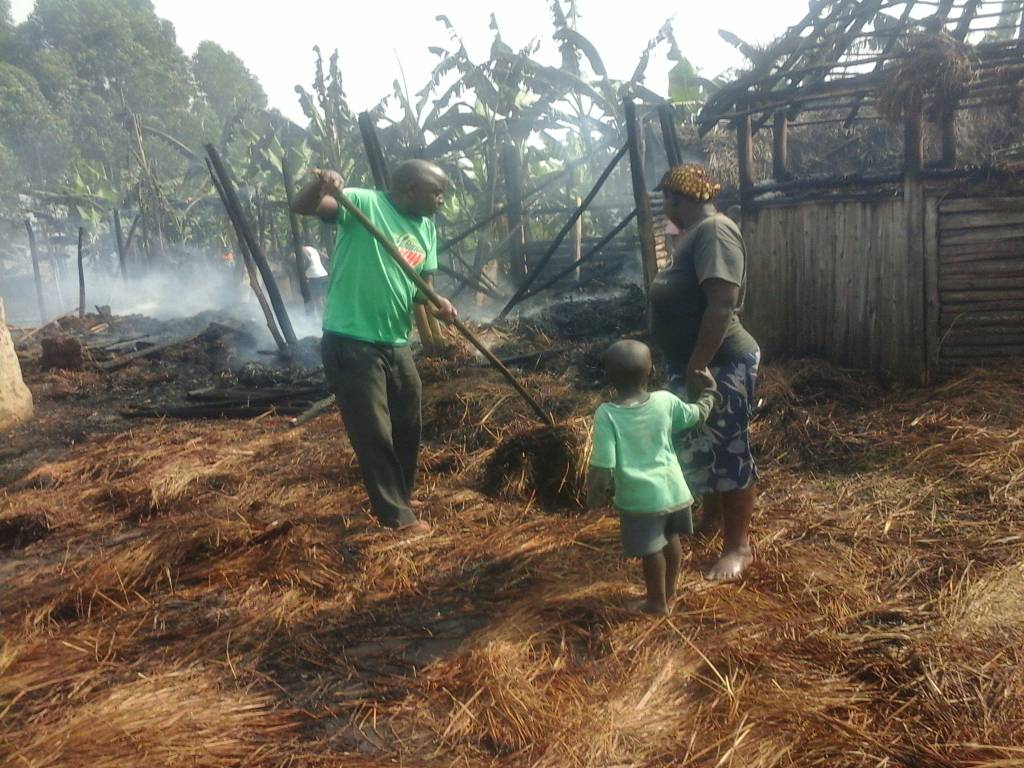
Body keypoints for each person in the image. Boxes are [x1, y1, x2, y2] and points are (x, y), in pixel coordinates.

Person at [290, 159, 457, 537]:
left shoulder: (426, 229)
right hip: (352, 340)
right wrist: (322, 187)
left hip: (396, 342)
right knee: (374, 433)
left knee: (407, 425)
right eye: (436, 192)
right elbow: (303, 206)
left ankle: (401, 498)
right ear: (410, 190)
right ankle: (397, 518)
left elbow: (420, 288)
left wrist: (439, 304)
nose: (441, 200)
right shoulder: (363, 203)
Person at [649, 164, 761, 582]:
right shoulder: (693, 235)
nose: (664, 207)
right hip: (697, 363)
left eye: (666, 199)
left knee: (729, 449)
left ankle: (738, 548)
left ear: (678, 198)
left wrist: (698, 363)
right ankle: (713, 522)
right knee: (704, 446)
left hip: (722, 363)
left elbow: (722, 304)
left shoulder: (715, 231)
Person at [587, 340, 719, 615]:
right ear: (651, 371)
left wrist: (595, 494)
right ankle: (670, 593)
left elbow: (603, 464)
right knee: (671, 539)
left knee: (651, 551)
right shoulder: (665, 401)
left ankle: (657, 603)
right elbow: (696, 416)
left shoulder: (607, 415)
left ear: (609, 377)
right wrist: (710, 391)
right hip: (675, 492)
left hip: (641, 500)